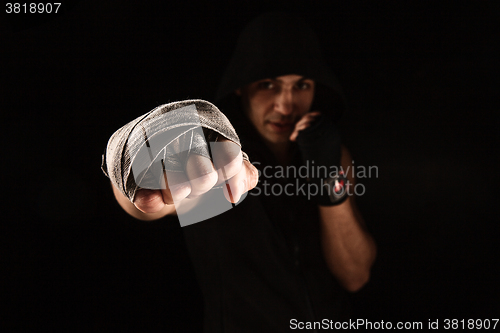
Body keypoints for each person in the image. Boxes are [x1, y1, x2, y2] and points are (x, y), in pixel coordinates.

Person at [106, 12, 376, 332]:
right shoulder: (221, 155)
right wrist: (137, 160)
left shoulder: (330, 152)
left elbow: (355, 275)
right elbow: (148, 203)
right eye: (268, 85)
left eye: (300, 85)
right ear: (240, 89)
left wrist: (329, 177)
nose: (286, 105)